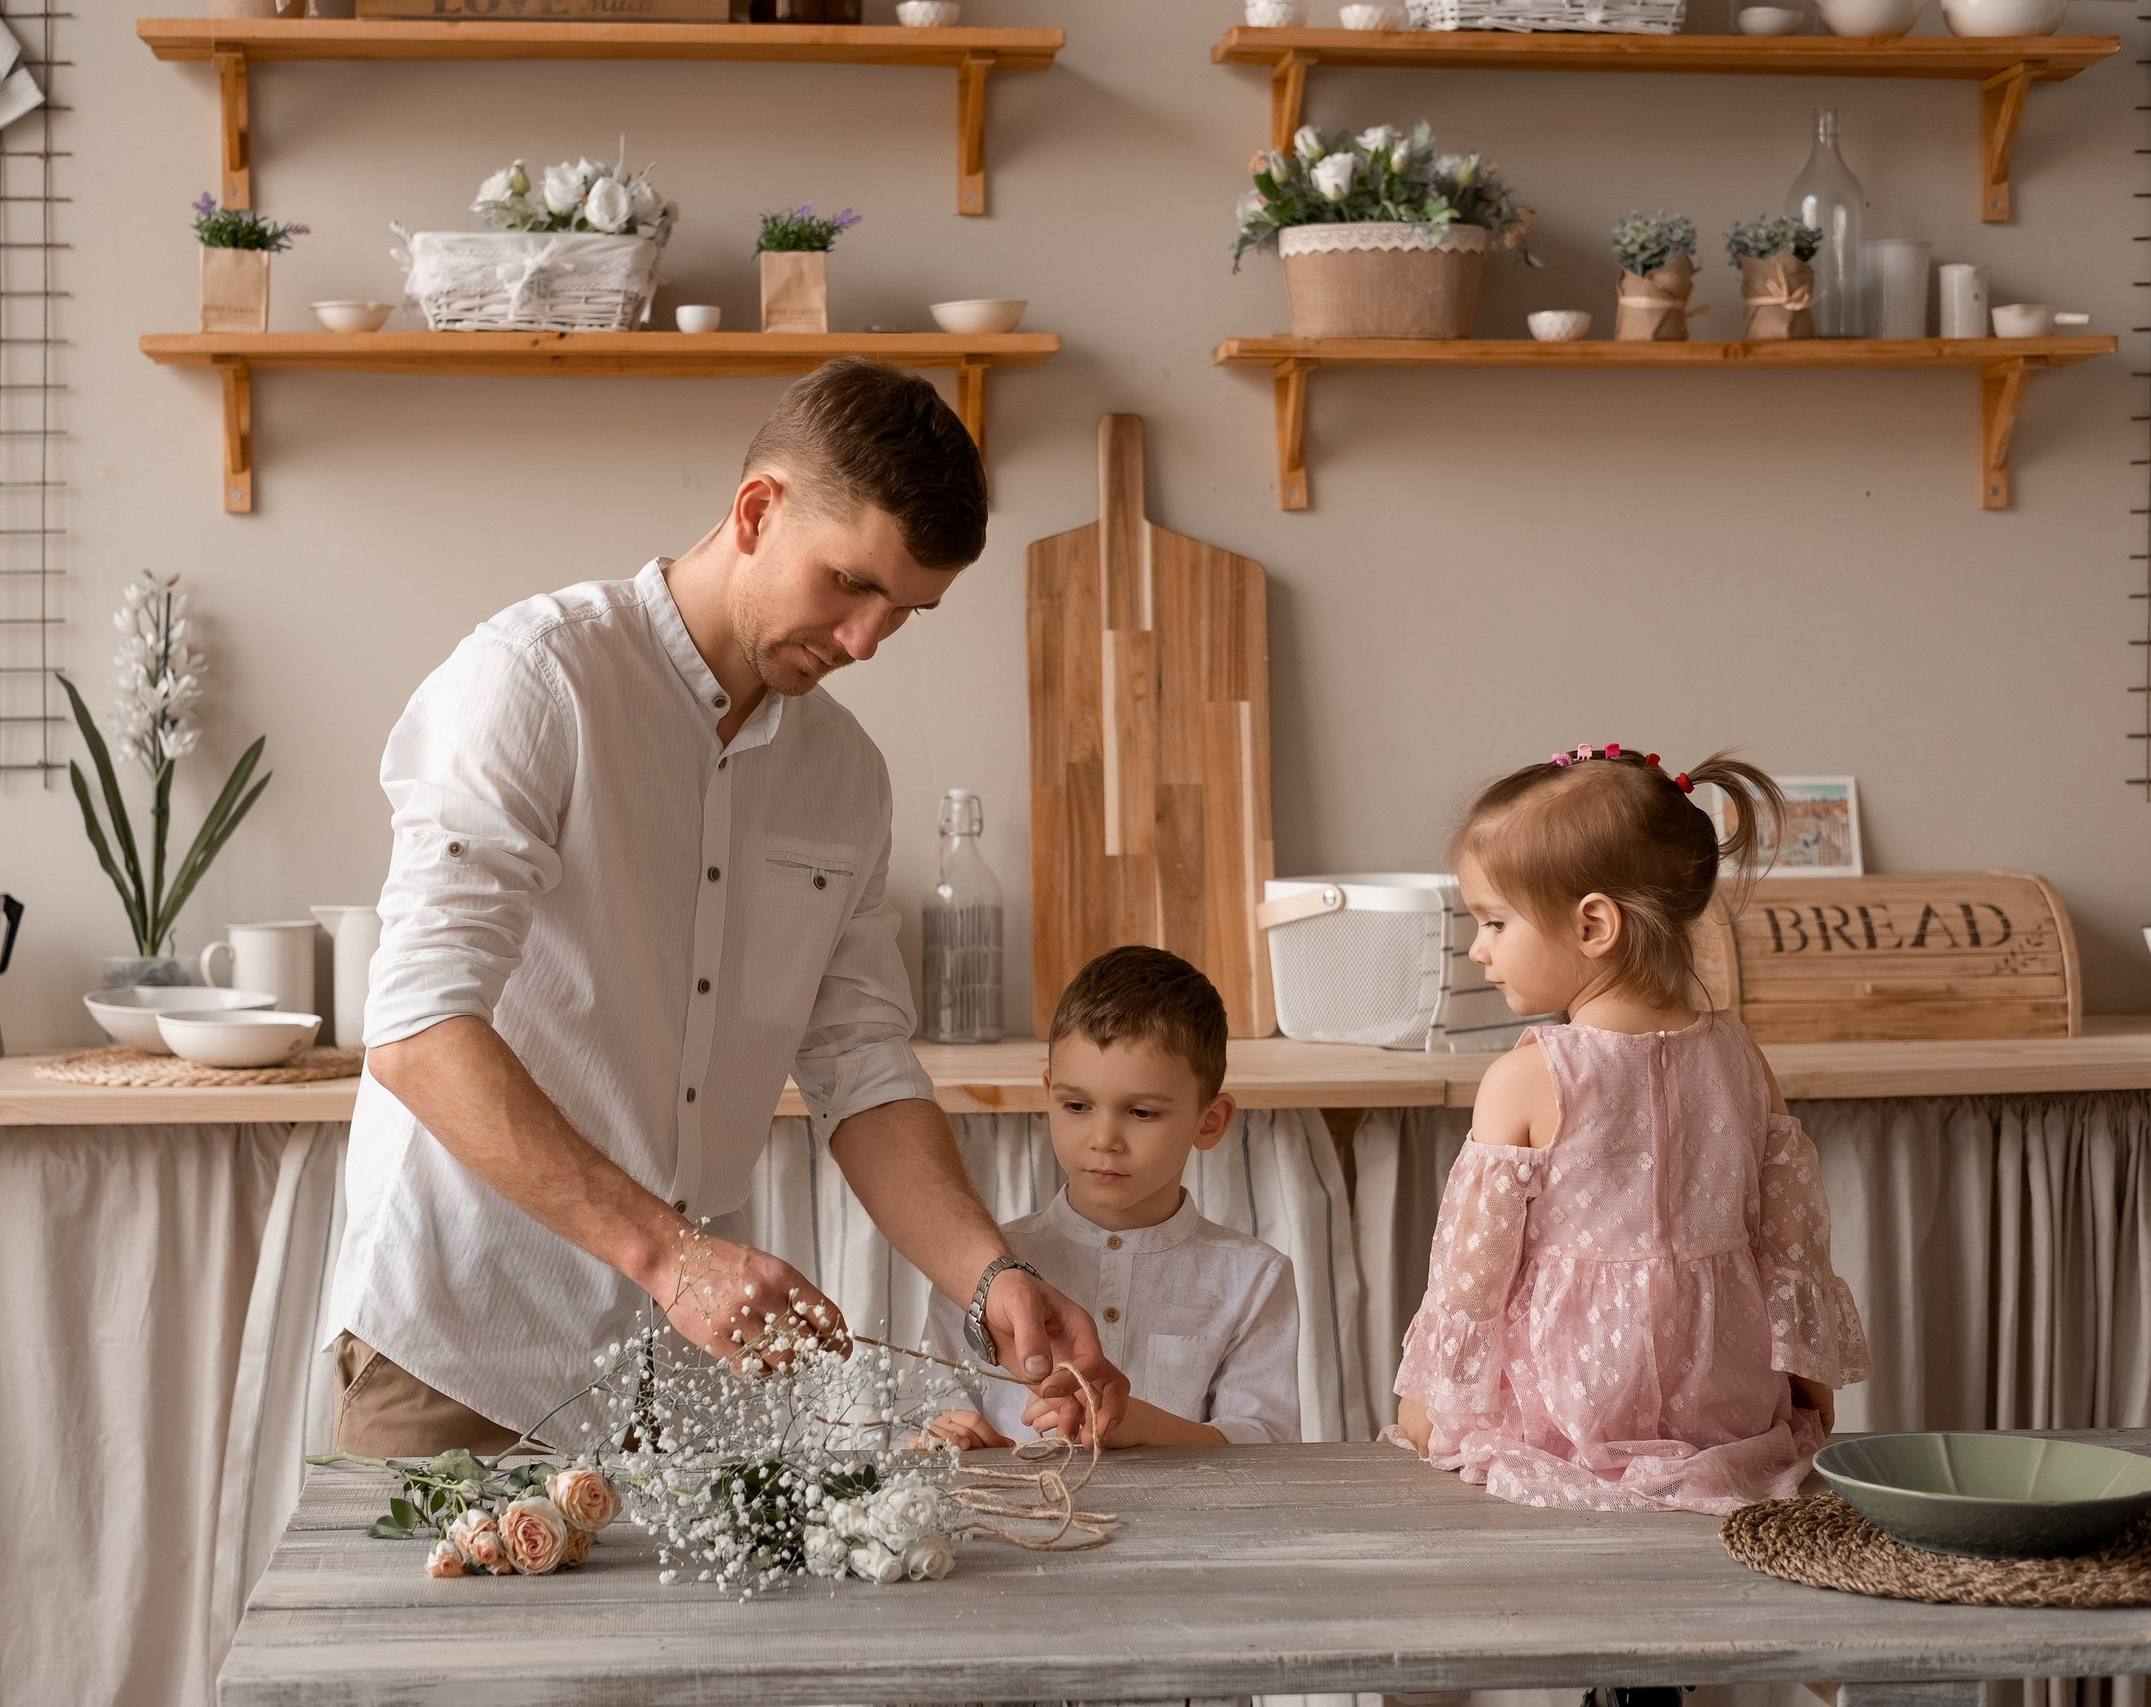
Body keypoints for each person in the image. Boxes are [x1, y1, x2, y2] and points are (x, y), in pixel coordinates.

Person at [328, 358, 1128, 1457]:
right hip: (469, 1341)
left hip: (683, 1371)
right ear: (756, 511)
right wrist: (671, 1255)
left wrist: (990, 1277)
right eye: (849, 584)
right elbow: (418, 1028)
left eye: (905, 611)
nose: (863, 642)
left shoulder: (844, 777)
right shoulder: (535, 682)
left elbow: (861, 1065)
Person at [1392, 744, 1870, 1514]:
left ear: (1593, 924)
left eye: (1493, 920)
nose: (1478, 948)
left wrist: (1431, 1396)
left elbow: (1469, 1273)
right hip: (1726, 1408)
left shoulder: (1524, 1078)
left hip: (1568, 1413)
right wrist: (1807, 1375)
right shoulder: (1743, 1057)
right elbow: (1792, 1242)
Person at [924, 945, 1301, 1450]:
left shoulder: (1254, 1278)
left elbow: (1267, 1446)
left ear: (1210, 1121)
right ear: (1048, 1092)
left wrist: (1137, 1425)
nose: (1104, 1138)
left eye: (1141, 1112)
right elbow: (924, 1419)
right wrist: (974, 1451)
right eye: (1076, 1105)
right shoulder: (980, 1266)